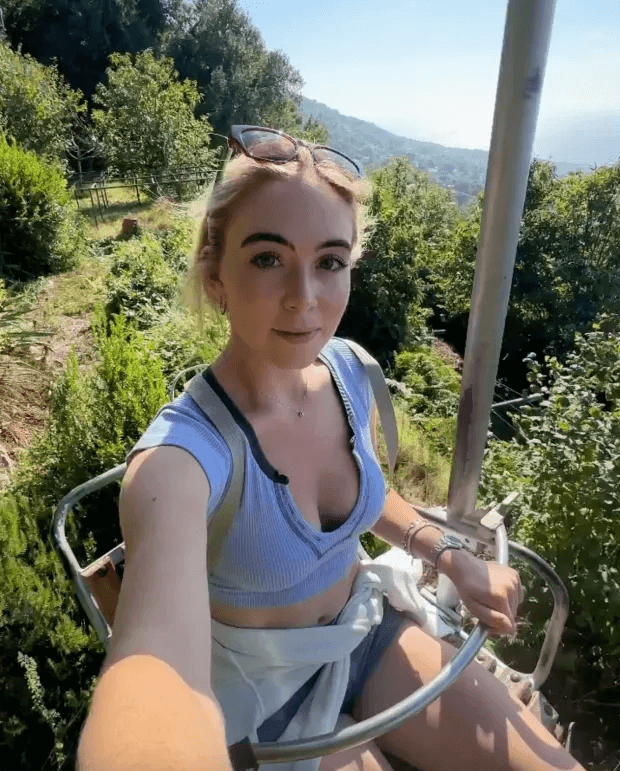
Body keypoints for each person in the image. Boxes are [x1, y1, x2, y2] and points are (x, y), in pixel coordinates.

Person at [77, 127, 585, 771]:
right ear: (215, 275)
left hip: (364, 632)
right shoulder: (179, 464)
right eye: (268, 258)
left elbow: (369, 493)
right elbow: (155, 671)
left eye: (330, 261)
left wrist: (449, 551)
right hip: (264, 698)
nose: (305, 298)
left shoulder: (345, 371)